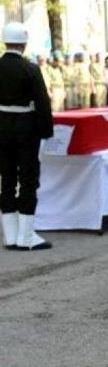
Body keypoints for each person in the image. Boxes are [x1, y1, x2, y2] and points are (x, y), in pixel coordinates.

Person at [0, 22, 53, 250]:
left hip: (2, 128)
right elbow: (42, 103)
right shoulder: (30, 69)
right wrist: (46, 132)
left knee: (7, 180)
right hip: (25, 130)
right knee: (28, 180)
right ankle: (26, 236)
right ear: (24, 43)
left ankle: (10, 236)